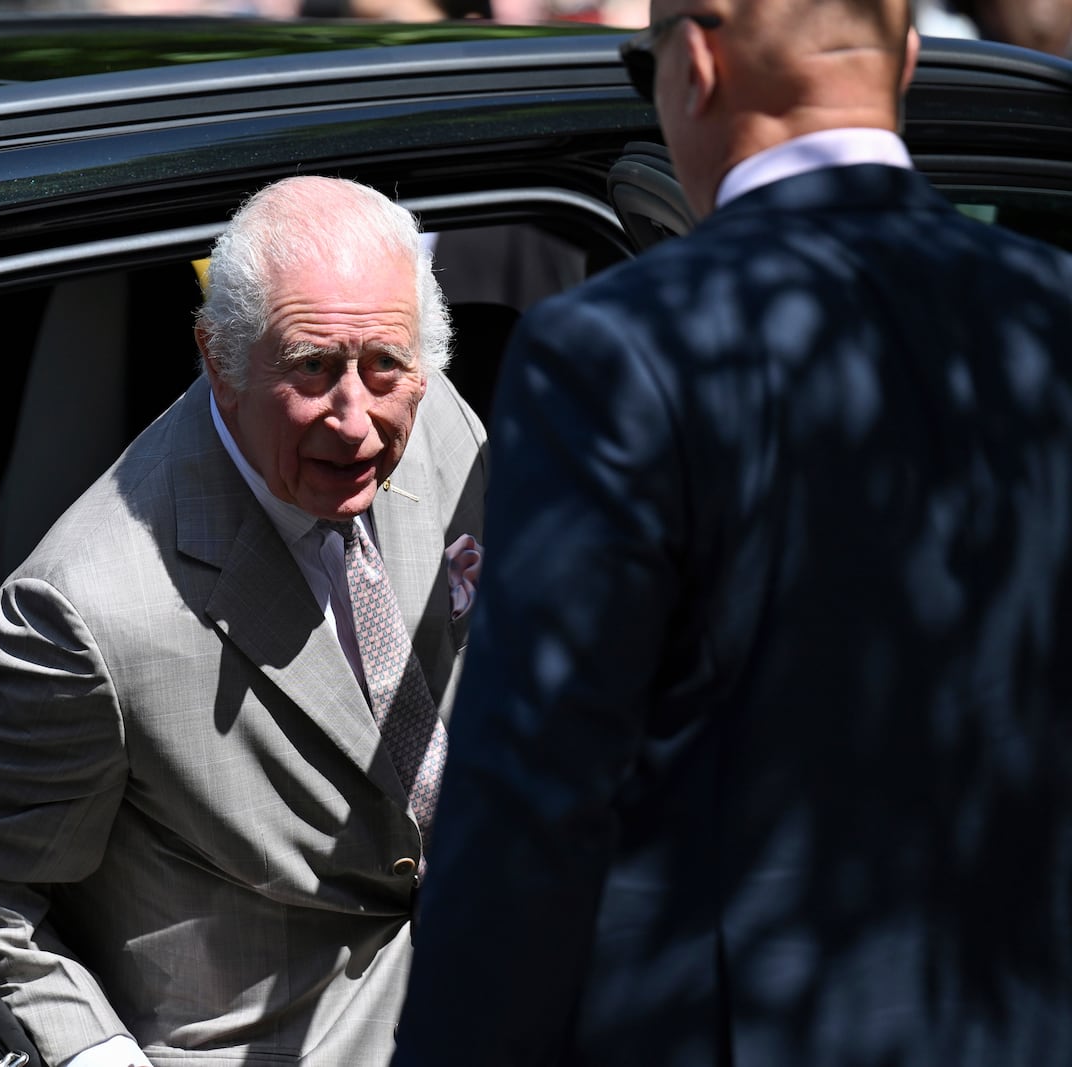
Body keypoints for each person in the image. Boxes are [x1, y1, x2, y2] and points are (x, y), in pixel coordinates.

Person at [394, 2, 1072, 1066]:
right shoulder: (1051, 308)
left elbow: (534, 803)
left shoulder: (615, 350)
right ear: (905, 57)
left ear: (695, 64)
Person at [0, 175, 487, 1067]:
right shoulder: (88, 609)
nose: (358, 421)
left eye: (384, 368)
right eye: (311, 369)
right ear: (219, 357)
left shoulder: (436, 411)